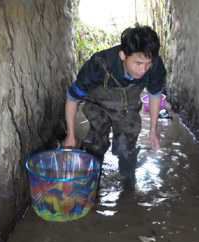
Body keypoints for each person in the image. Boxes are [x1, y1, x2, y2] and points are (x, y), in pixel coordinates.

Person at [63, 25, 167, 189]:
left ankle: (128, 186)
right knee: (95, 145)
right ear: (123, 55)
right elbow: (72, 98)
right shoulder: (99, 64)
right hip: (98, 106)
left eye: (148, 64)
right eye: (138, 63)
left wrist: (153, 130)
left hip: (127, 108)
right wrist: (70, 134)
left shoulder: (154, 65)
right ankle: (91, 184)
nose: (143, 70)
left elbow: (154, 95)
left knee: (127, 147)